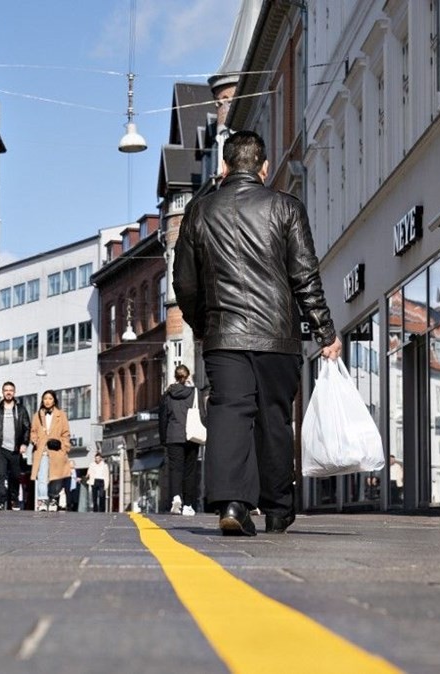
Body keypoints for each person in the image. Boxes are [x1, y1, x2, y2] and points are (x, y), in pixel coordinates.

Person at [173, 130, 342, 536]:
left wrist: (204, 326)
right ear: (264, 168)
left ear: (225, 167)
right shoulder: (286, 207)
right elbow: (305, 277)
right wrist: (326, 332)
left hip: (224, 334)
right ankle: (279, 508)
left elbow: (185, 283)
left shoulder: (200, 211)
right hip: (278, 337)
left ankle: (232, 503)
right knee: (275, 420)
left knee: (230, 413)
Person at [159, 364, 202, 516]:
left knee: (175, 469)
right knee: (190, 471)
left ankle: (176, 498)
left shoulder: (168, 394)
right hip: (192, 436)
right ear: (188, 376)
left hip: (173, 435)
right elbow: (202, 415)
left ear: (175, 377)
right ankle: (188, 505)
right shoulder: (195, 393)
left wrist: (164, 438)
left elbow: (163, 417)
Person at [0, 381, 31, 510]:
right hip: (0, 449)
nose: (8, 392)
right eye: (6, 390)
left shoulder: (21, 410)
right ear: (3, 392)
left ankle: (14, 500)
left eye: (11, 390)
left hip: (15, 449)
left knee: (15, 476)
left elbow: (27, 428)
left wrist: (24, 443)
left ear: (14, 392)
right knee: (1, 474)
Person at [30, 389, 71, 512]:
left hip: (56, 450)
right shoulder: (37, 415)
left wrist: (64, 447)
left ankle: (53, 498)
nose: (47, 401)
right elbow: (33, 431)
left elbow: (66, 433)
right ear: (42, 400)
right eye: (45, 398)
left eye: (50, 398)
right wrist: (35, 440)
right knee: (42, 476)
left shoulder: (61, 415)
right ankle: (42, 500)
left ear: (54, 400)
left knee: (56, 477)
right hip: (42, 450)